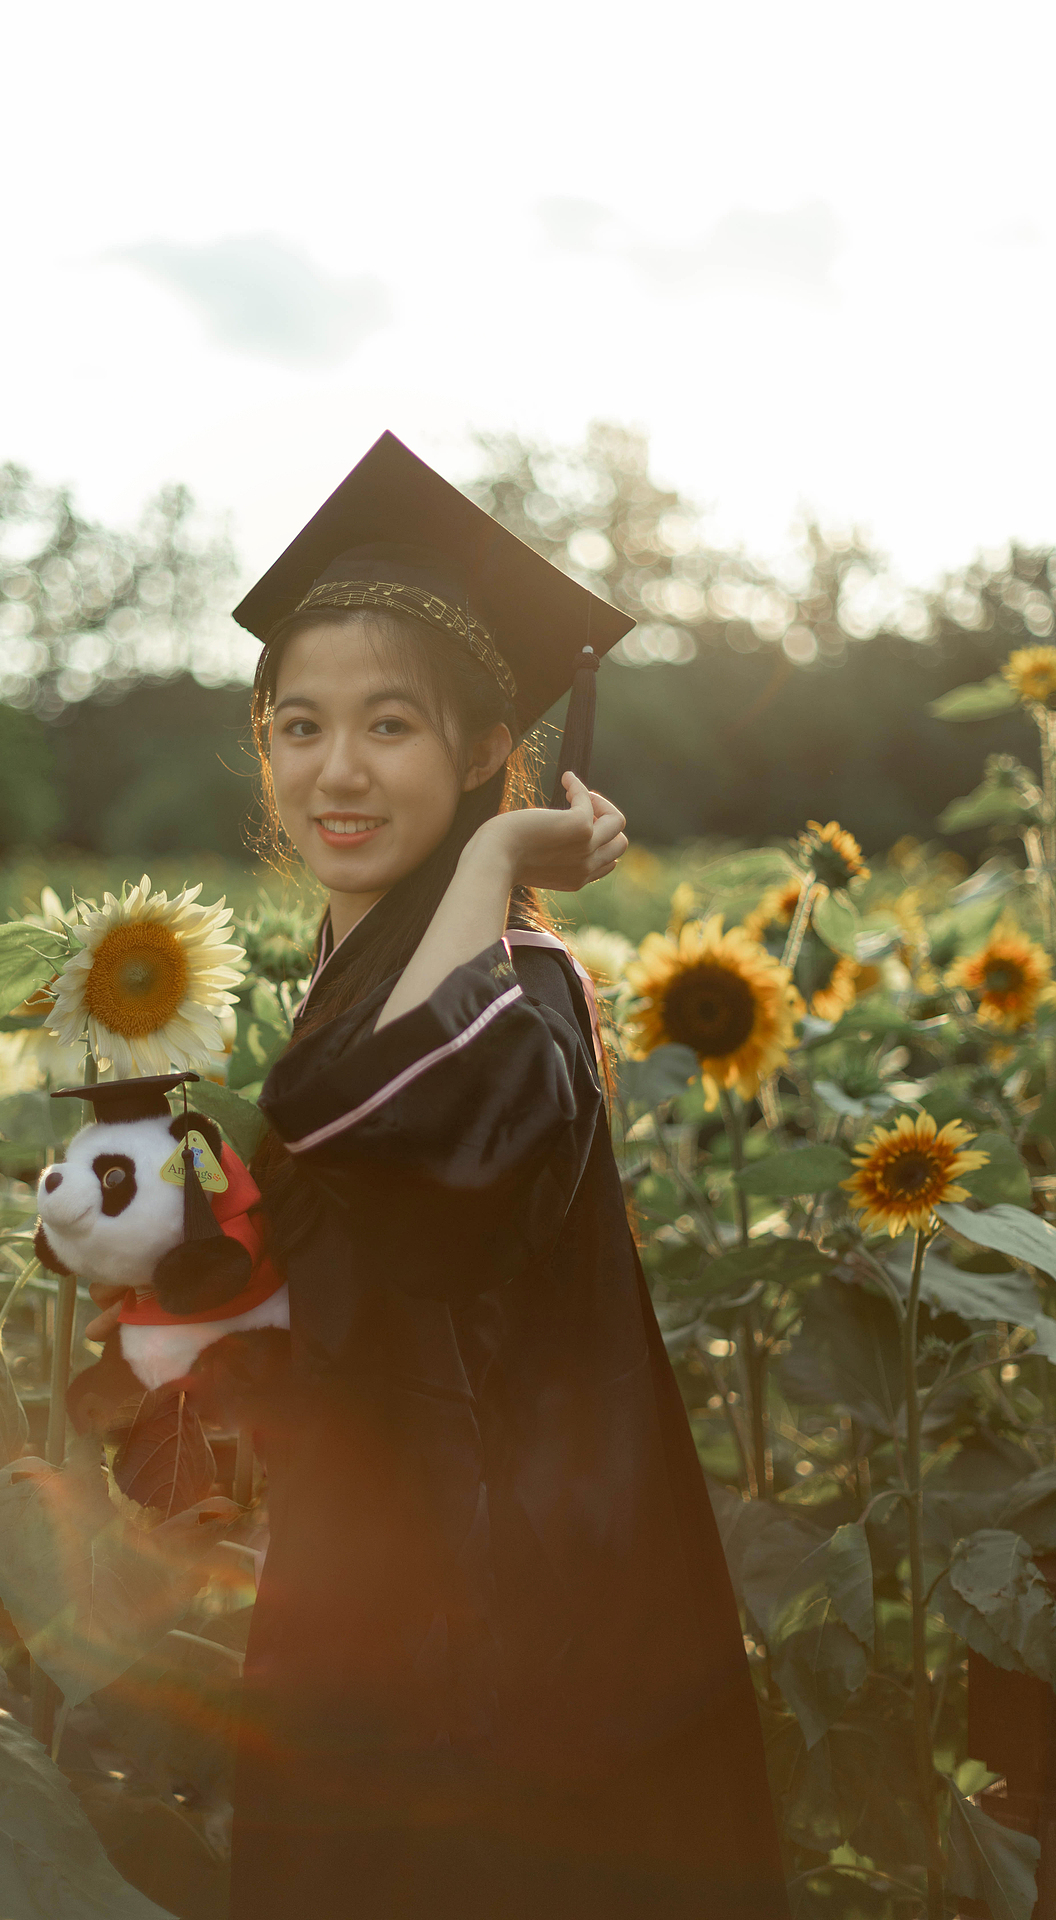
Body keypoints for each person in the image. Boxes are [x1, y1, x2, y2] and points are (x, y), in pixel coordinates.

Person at [226, 434, 789, 1919]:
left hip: (496, 1638)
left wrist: (490, 862)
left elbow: (356, 1118)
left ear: (488, 748)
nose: (334, 772)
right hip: (386, 1579)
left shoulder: (512, 985)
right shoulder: (374, 972)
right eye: (298, 726)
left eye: (390, 726)